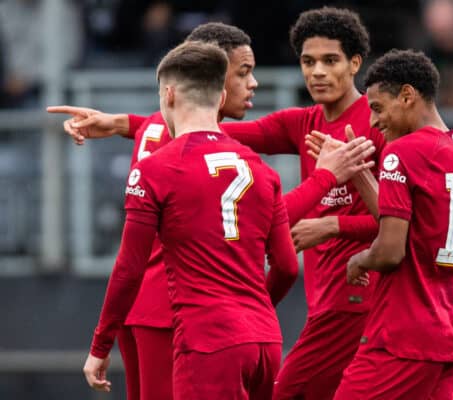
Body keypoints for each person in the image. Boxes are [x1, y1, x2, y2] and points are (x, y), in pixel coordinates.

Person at [48, 21, 376, 400]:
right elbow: (263, 235)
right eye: (242, 72)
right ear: (214, 82)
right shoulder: (246, 162)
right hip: (183, 315)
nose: (252, 83)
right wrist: (324, 184)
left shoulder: (161, 133)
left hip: (147, 310)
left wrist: (122, 122)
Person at [82, 40, 298, 400]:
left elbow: (128, 268)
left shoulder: (155, 169)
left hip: (208, 342)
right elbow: (288, 266)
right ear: (220, 95)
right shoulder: (261, 169)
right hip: (265, 341)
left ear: (168, 94)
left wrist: (100, 344)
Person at [220, 7, 386, 399]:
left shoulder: (378, 125)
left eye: (330, 61)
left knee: (284, 393)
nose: (317, 73)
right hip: (325, 302)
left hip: (357, 300)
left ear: (355, 63)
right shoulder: (301, 124)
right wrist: (124, 123)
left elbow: (401, 223)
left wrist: (331, 226)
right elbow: (210, 130)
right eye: (308, 62)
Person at [333, 49, 453, 399]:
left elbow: (389, 252)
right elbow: (411, 229)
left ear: (407, 95)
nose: (373, 121)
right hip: (447, 340)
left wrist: (358, 259)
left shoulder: (402, 152)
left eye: (377, 107)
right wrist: (359, 175)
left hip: (400, 337)